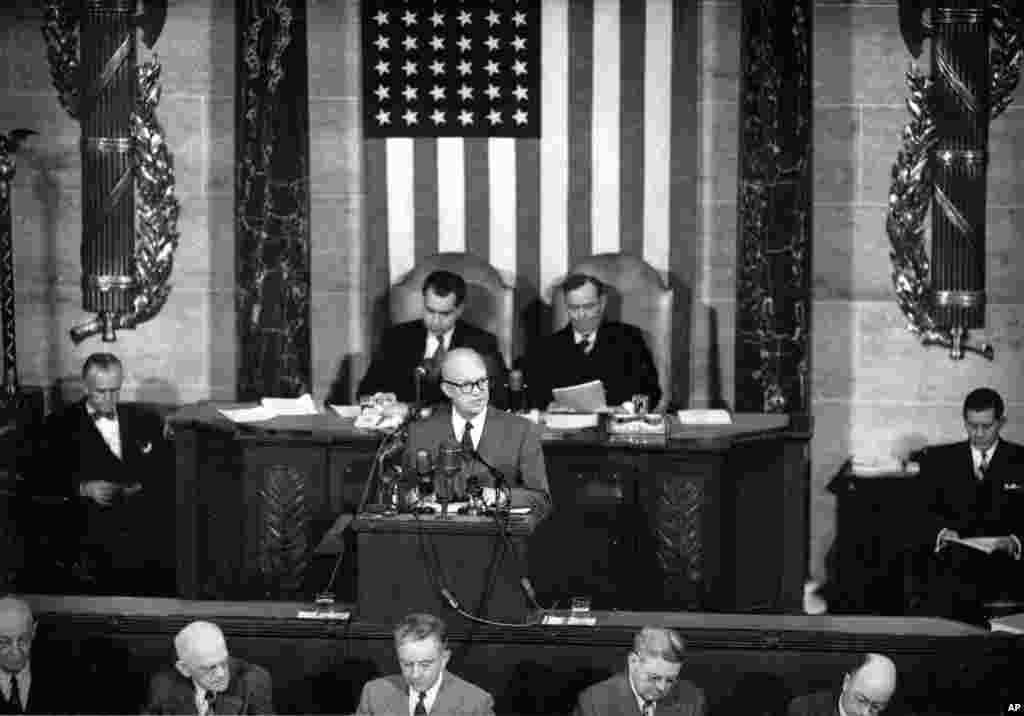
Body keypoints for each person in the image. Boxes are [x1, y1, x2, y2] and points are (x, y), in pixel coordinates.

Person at [42, 353, 174, 594]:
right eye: (101, 392)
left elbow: (164, 469)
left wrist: (141, 486)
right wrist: (84, 488)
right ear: (86, 386)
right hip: (88, 541)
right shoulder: (58, 425)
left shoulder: (145, 420)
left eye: (115, 390)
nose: (109, 399)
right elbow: (40, 480)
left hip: (142, 535)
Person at [912, 387, 1024, 622]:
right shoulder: (939, 460)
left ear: (1001, 422)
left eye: (987, 426)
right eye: (972, 426)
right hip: (953, 566)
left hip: (1007, 568)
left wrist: (1014, 541)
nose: (979, 433)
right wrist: (942, 533)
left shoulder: (1020, 460)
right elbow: (920, 512)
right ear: (965, 421)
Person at [403, 348, 551, 517]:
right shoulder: (420, 432)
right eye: (466, 385)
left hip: (499, 538)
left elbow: (541, 499)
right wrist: (414, 497)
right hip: (435, 538)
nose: (477, 391)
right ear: (447, 389)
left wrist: (501, 496)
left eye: (482, 381)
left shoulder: (522, 430)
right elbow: (402, 493)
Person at [333, 270, 508, 408]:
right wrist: (380, 399)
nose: (435, 320)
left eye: (445, 314)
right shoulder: (396, 338)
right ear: (423, 302)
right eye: (430, 311)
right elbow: (366, 391)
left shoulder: (481, 343)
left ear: (459, 310)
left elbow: (497, 398)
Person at [523, 274, 661, 410]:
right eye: (574, 308)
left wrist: (629, 410)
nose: (581, 315)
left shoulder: (629, 339)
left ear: (602, 303)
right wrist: (549, 406)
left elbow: (651, 391)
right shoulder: (546, 348)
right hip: (565, 428)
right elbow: (533, 393)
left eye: (588, 306)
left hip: (615, 426)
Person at [356, 613, 493, 716]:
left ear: (444, 658)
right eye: (407, 664)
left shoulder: (476, 704)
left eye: (425, 665)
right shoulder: (374, 694)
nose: (415, 674)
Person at [145, 620, 273, 715]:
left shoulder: (253, 681)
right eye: (209, 668)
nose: (221, 674)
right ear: (184, 669)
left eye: (223, 662)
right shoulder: (164, 685)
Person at [574, 626, 705, 716]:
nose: (661, 687)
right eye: (654, 678)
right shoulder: (594, 703)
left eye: (670, 680)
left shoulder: (691, 700)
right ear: (633, 662)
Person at [0, 595, 77, 715]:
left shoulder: (65, 678)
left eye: (23, 640)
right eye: (4, 642)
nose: (15, 651)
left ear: (33, 631)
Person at [787, 653, 897, 716]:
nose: (865, 713)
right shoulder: (803, 711)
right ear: (846, 682)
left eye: (876, 707)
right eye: (861, 700)